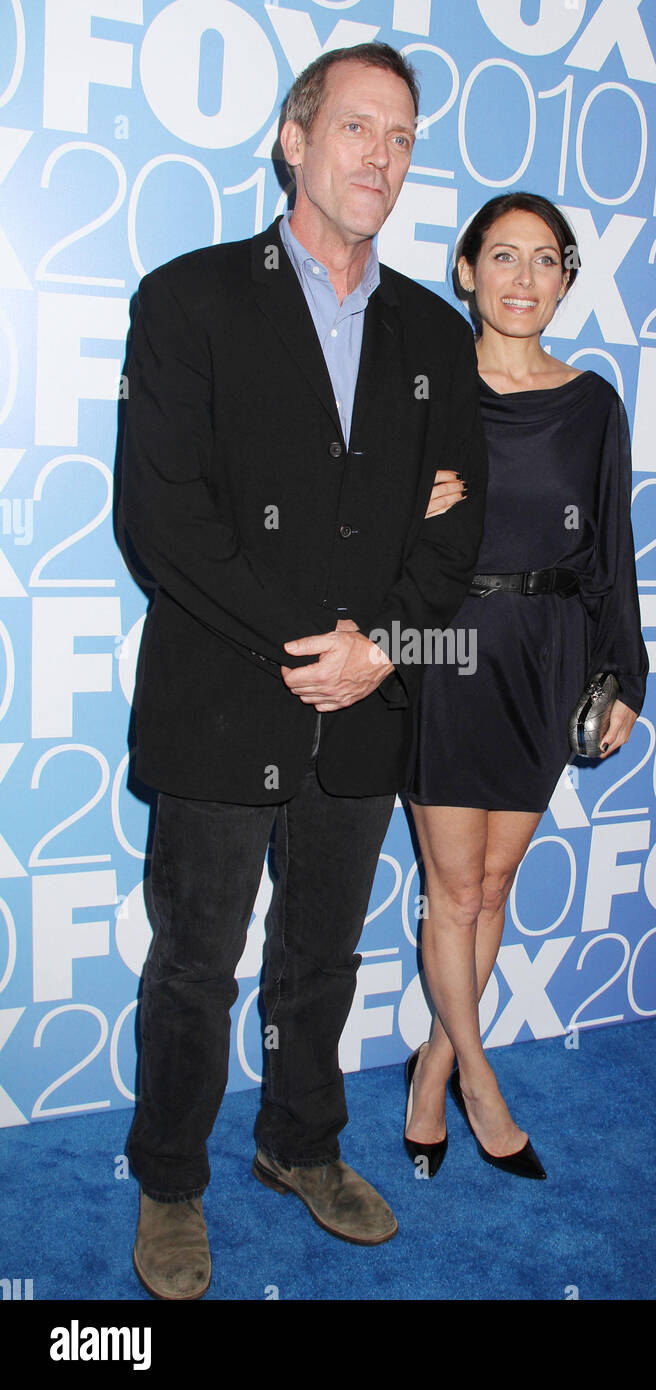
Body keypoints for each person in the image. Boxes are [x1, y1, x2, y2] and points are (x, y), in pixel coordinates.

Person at [117, 42, 487, 1299]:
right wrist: (311, 643)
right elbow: (163, 520)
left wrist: (379, 646)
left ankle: (299, 1144)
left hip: (364, 708)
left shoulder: (436, 337)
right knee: (193, 962)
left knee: (320, 956)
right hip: (222, 698)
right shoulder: (191, 300)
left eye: (402, 138)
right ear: (294, 138)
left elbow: (455, 528)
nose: (380, 156)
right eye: (356, 128)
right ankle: (169, 1178)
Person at [402, 193, 648, 1180]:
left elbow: (611, 551)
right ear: (465, 271)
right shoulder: (422, 388)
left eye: (544, 261)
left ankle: (429, 1067)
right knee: (453, 888)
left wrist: (622, 670)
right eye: (500, 257)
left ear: (564, 279)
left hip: (548, 655)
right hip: (448, 651)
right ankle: (476, 1082)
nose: (521, 279)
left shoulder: (591, 401)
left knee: (494, 885)